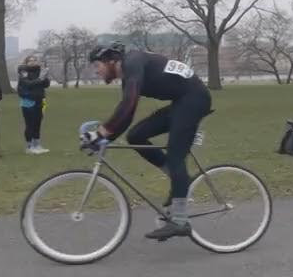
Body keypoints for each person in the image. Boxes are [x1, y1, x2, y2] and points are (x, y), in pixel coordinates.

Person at [88, 42, 212, 241]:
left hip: (195, 100)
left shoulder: (132, 62)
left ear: (111, 61)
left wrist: (102, 132)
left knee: (176, 156)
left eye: (97, 65)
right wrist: (104, 139)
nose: (96, 71)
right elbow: (127, 114)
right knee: (135, 136)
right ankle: (178, 179)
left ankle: (180, 221)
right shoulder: (129, 72)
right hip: (182, 101)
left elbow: (129, 103)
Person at [16, 55, 51, 154]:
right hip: (28, 101)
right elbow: (28, 84)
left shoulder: (39, 71)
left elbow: (46, 85)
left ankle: (37, 145)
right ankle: (29, 146)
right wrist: (40, 79)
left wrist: (45, 77)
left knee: (37, 123)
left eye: (35, 60)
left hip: (40, 100)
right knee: (30, 124)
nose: (33, 62)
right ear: (26, 62)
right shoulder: (23, 71)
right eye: (30, 60)